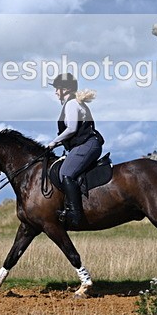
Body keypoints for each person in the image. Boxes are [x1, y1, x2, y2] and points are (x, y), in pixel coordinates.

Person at [46, 73, 104, 227]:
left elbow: (71, 129)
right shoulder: (73, 103)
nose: (55, 92)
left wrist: (53, 142)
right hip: (85, 144)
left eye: (57, 89)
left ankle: (75, 214)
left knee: (65, 173)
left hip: (87, 145)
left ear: (65, 89)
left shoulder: (72, 104)